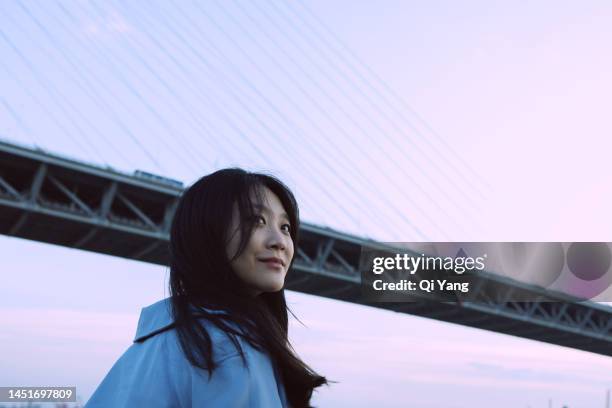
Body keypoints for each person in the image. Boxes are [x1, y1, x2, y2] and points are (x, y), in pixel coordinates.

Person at [86, 168, 328, 407]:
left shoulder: (151, 346)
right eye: (257, 220)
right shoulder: (229, 350)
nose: (280, 242)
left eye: (285, 227)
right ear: (209, 232)